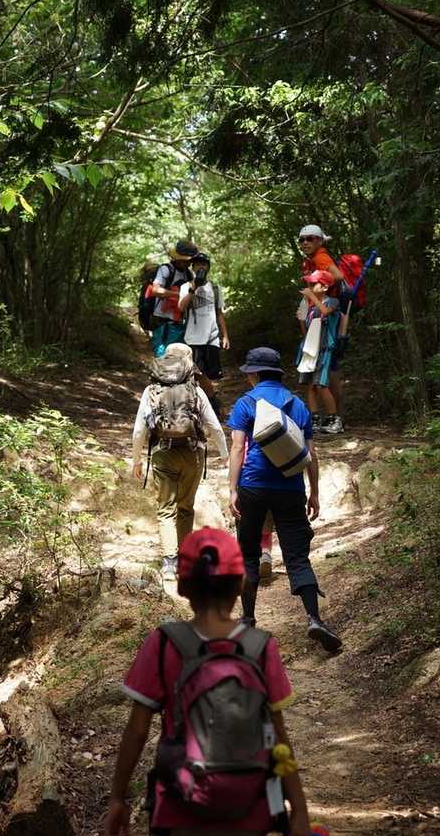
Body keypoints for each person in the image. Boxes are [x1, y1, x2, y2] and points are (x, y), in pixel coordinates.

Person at [104, 527, 313, 836]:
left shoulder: (163, 644)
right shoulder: (260, 647)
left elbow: (136, 731)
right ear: (241, 584)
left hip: (183, 811)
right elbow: (280, 740)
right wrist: (299, 811)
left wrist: (118, 798)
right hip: (247, 811)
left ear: (182, 587)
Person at [227, 347, 342, 653]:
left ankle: (247, 619)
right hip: (290, 488)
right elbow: (310, 453)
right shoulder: (298, 405)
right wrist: (314, 492)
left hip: (252, 486)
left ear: (254, 374)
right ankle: (314, 619)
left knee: (248, 554)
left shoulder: (246, 403)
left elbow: (237, 448)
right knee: (297, 556)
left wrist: (232, 489)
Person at [131, 343, 227, 579]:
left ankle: (168, 564)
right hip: (192, 454)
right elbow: (214, 426)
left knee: (166, 509)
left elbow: (139, 430)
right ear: (188, 361)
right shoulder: (196, 390)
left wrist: (137, 460)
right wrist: (225, 455)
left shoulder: (151, 390)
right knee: (185, 507)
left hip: (163, 453)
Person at [177, 251, 230, 406]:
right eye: (198, 264)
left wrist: (225, 335)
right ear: (193, 268)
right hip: (193, 338)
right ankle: (212, 401)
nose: (201, 267)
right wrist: (193, 288)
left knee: (210, 374)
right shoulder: (185, 286)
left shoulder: (215, 288)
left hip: (212, 338)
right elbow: (181, 307)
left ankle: (205, 404)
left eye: (204, 264)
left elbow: (219, 313)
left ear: (208, 267)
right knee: (196, 372)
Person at [296, 271, 343, 434]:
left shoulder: (333, 302)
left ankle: (334, 419)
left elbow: (326, 311)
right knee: (311, 386)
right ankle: (314, 418)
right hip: (310, 350)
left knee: (321, 384)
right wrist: (302, 317)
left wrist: (312, 297)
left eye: (313, 284)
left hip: (324, 349)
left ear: (324, 287)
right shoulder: (310, 307)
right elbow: (305, 330)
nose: (309, 286)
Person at [149, 241, 200, 358]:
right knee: (162, 355)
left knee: (176, 357)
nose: (187, 263)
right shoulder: (165, 269)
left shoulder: (188, 275)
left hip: (179, 322)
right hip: (162, 321)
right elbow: (155, 290)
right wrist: (179, 294)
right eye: (185, 260)